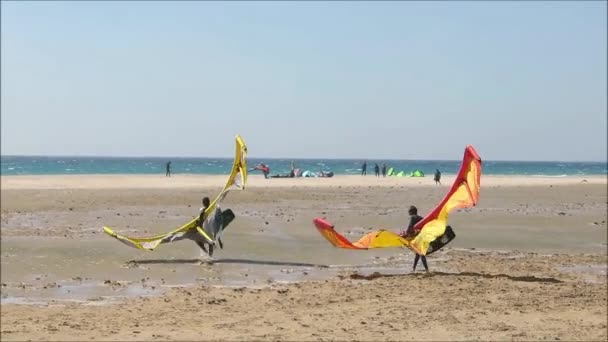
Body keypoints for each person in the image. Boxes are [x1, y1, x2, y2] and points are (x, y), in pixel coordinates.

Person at [401, 205, 429, 272]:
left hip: (419, 238)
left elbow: (410, 227)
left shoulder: (413, 217)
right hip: (424, 236)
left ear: (411, 212)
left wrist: (406, 235)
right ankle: (414, 268)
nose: (408, 213)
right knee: (418, 253)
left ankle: (426, 270)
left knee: (421, 253)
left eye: (409, 211)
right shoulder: (421, 218)